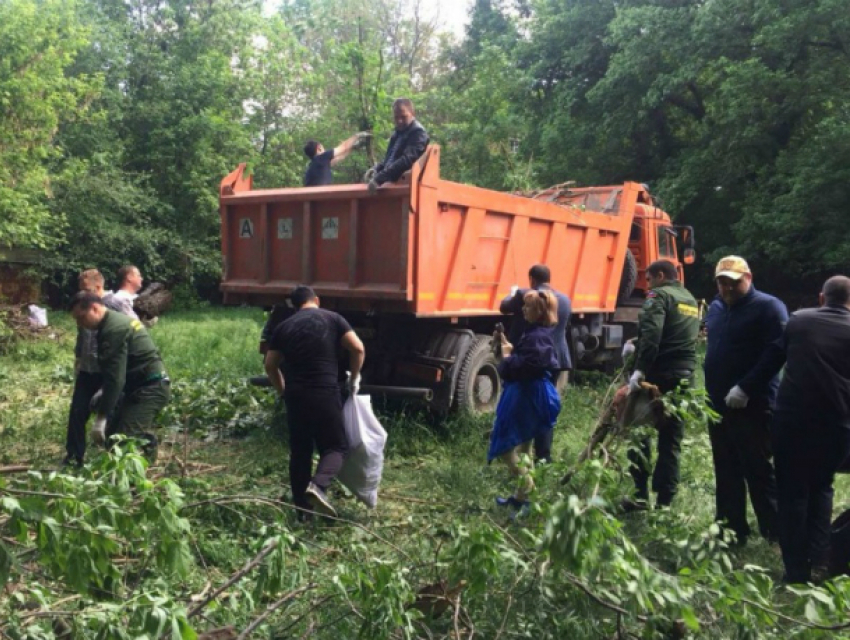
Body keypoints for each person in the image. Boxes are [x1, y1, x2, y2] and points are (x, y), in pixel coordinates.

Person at [766, 276, 850, 583]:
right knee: (822, 486)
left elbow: (773, 359)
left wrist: (744, 388)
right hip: (836, 425)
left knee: (792, 494)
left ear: (821, 297)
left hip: (792, 422)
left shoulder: (799, 320)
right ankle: (821, 561)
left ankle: (795, 570)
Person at [703, 256, 787, 545]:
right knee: (725, 468)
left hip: (753, 403)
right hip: (716, 403)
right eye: (722, 281)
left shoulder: (768, 307)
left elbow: (776, 352)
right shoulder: (715, 307)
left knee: (758, 468)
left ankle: (775, 531)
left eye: (733, 282)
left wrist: (746, 387)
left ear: (748, 278)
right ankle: (730, 529)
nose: (727, 287)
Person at [264, 285, 365, 518]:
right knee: (336, 447)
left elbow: (270, 365)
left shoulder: (283, 327)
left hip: (296, 395)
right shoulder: (333, 319)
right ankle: (318, 486)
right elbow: (358, 348)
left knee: (300, 452)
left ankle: (302, 512)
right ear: (316, 300)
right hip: (324, 392)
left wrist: (283, 391)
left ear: (294, 304)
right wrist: (355, 378)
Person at [624, 260, 700, 510]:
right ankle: (665, 504)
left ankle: (640, 496)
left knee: (640, 434)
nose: (647, 285)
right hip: (685, 377)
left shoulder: (659, 295)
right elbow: (677, 334)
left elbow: (654, 335)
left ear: (659, 275)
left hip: (657, 377)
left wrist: (639, 370)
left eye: (648, 279)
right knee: (671, 441)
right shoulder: (689, 298)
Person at [70, 291, 170, 461]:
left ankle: (142, 466)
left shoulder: (113, 329)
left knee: (122, 444)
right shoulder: (110, 323)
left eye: (81, 318)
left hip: (150, 388)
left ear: (94, 308)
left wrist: (101, 418)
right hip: (136, 387)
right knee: (111, 438)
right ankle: (146, 442)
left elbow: (115, 379)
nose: (81, 324)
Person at [489, 290, 562, 512]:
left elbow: (526, 368)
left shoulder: (536, 337)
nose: (523, 309)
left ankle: (528, 494)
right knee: (524, 446)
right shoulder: (538, 333)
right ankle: (520, 498)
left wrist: (507, 357)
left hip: (527, 394)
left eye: (528, 307)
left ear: (538, 311)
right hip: (532, 392)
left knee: (504, 446)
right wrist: (511, 351)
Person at [499, 264, 572, 461]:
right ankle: (543, 456)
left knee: (522, 404)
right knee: (545, 407)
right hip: (556, 360)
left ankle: (518, 452)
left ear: (531, 278)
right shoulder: (564, 299)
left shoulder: (525, 294)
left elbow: (503, 307)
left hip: (530, 360)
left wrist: (512, 293)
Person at [64, 270, 126, 466]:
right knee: (77, 412)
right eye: (80, 290)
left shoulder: (115, 305)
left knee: (111, 413)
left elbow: (131, 327)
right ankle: (74, 457)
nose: (82, 294)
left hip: (107, 370)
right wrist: (78, 358)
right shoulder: (81, 307)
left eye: (87, 289)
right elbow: (81, 335)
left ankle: (113, 457)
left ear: (98, 287)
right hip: (87, 369)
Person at [366, 98, 429, 194]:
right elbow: (389, 161)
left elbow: (406, 160)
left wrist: (379, 179)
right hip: (392, 185)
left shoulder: (418, 133)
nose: (399, 121)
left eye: (403, 117)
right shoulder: (397, 134)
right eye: (396, 117)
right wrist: (376, 169)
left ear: (413, 114)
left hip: (407, 187)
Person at [303, 132, 371, 187]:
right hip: (322, 198)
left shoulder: (314, 165)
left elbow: (339, 157)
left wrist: (352, 147)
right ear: (319, 148)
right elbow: (344, 147)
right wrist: (358, 135)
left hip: (314, 198)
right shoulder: (322, 157)